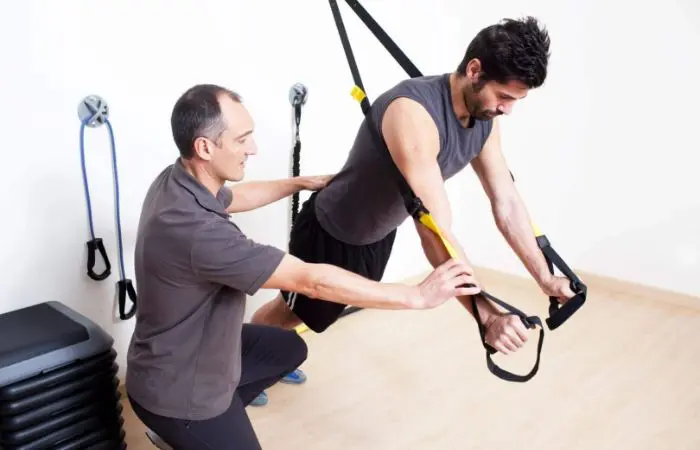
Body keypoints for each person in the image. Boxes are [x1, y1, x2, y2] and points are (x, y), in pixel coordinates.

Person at [124, 83, 478, 449]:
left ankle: (209, 428)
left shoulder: (178, 180)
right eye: (242, 139)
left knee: (288, 349)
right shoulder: (201, 234)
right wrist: (415, 295)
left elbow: (234, 197)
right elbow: (310, 280)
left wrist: (297, 183)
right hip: (180, 393)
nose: (253, 148)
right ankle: (185, 433)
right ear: (205, 147)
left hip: (185, 352)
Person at [251, 17, 578, 386]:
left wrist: (545, 278)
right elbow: (435, 229)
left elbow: (506, 202)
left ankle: (270, 353)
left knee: (313, 318)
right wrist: (487, 316)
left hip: (375, 238)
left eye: (515, 101)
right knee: (290, 314)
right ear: (475, 70)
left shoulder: (484, 118)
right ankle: (241, 365)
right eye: (504, 97)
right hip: (330, 232)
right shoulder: (413, 115)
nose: (507, 109)